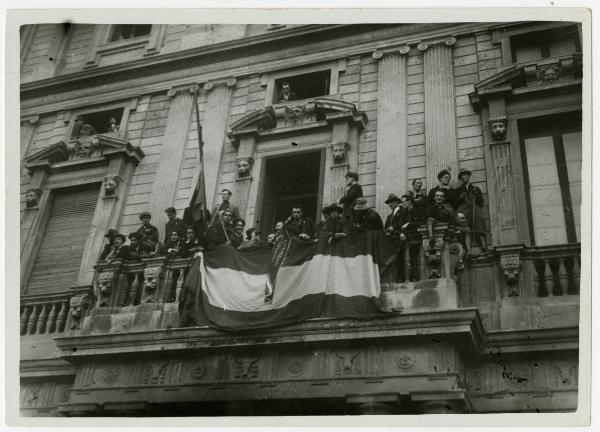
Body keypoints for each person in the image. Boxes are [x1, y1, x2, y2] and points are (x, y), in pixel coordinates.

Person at [454, 168, 487, 252]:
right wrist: (459, 198)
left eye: (465, 175)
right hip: (463, 209)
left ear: (469, 176)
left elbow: (481, 202)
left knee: (478, 222)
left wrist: (476, 195)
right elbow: (455, 204)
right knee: (466, 228)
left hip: (473, 208)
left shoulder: (475, 189)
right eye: (462, 176)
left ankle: (483, 244)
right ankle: (468, 250)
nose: (463, 177)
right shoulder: (458, 190)